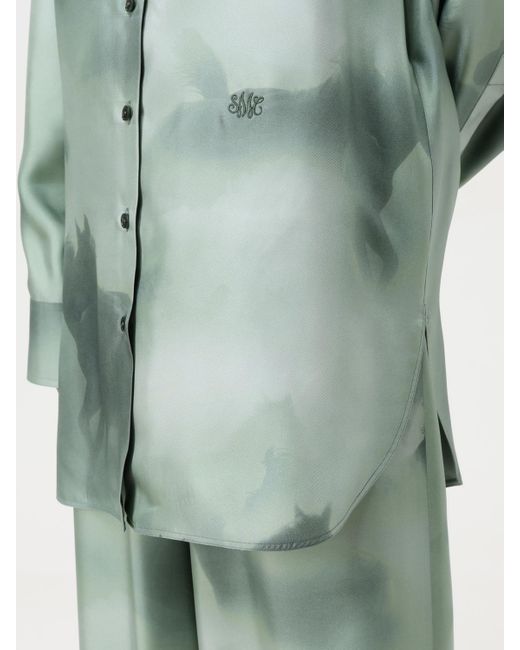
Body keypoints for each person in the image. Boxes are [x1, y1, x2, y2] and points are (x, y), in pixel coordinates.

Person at [19, 1, 503, 648]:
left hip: (310, 415)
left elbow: (482, 58)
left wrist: (353, 166)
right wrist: (66, 319)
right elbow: (63, 83)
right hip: (113, 398)